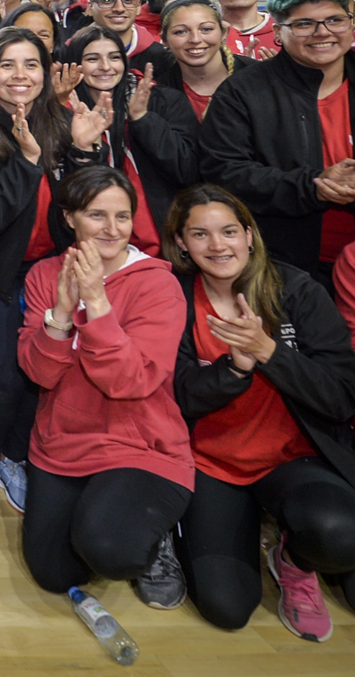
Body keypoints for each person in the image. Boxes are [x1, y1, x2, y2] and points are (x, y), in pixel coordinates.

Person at [167, 185, 355, 638]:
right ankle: (198, 531)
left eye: (229, 231)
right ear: (181, 244)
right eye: (200, 234)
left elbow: (342, 396)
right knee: (227, 608)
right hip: (211, 462)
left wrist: (271, 351)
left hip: (293, 458)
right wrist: (235, 368)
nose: (217, 245)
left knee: (342, 535)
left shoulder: (297, 290)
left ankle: (291, 562)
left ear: (249, 235)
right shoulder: (173, 295)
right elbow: (179, 397)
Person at [18, 167, 193, 609]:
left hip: (139, 444)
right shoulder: (44, 274)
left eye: (123, 216)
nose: (112, 229)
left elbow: (129, 380)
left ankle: (158, 536)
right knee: (55, 574)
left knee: (112, 552)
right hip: (62, 445)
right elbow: (40, 373)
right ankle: (108, 517)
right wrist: (61, 309)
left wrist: (95, 303)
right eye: (97, 215)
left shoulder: (159, 283)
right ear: (69, 218)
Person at [0, 27, 109, 515]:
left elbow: (87, 202)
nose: (20, 75)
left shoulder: (59, 120)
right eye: (7, 65)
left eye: (31, 65)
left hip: (54, 272)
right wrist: (26, 160)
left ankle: (15, 455)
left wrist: (85, 150)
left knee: (44, 372)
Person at [200, 0, 355, 287]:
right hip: (286, 267)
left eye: (335, 19)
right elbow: (224, 172)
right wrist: (312, 186)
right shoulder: (243, 91)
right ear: (278, 32)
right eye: (304, 24)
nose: (322, 33)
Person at [60, 25, 196, 251]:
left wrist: (143, 120)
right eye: (92, 59)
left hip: (165, 244)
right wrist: (84, 147)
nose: (105, 67)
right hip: (93, 245)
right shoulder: (63, 113)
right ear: (75, 65)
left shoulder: (162, 101)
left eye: (114, 57)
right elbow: (67, 196)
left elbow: (187, 171)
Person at [158, 0, 250, 123]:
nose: (195, 39)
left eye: (206, 29)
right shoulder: (157, 92)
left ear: (224, 33)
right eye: (180, 32)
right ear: (165, 40)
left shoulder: (256, 77)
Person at [81, 0, 172, 77]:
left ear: (138, 6)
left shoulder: (162, 57)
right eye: (107, 0)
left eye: (128, 0)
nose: (119, 9)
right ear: (90, 7)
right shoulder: (71, 52)